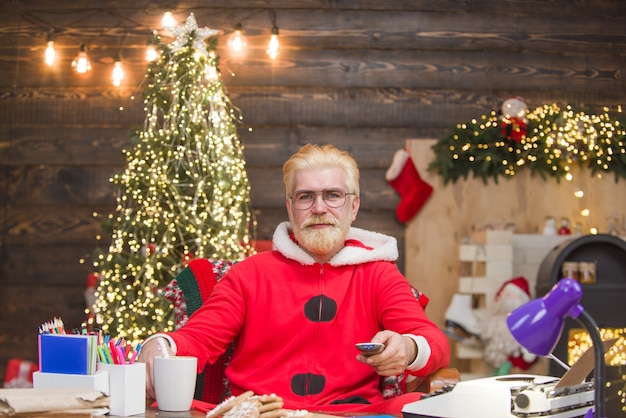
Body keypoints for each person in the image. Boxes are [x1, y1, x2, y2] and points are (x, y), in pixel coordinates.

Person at [138, 144, 450, 414]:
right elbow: (198, 338)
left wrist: (408, 347)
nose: (319, 208)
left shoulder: (378, 273)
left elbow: (434, 342)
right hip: (261, 412)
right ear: (290, 208)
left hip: (350, 414)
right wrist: (160, 344)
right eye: (305, 197)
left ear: (353, 207)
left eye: (333, 195)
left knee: (423, 407)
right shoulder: (250, 273)